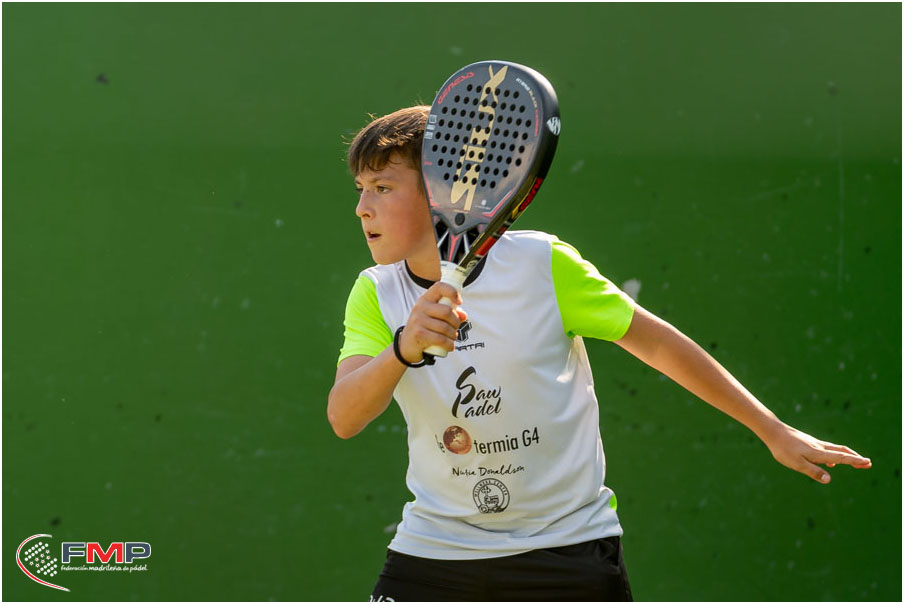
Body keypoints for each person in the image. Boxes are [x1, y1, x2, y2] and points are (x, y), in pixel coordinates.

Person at [327, 105, 872, 602]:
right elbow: (344, 417)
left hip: (568, 549)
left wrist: (772, 429)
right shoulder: (375, 293)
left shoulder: (541, 264)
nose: (361, 208)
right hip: (436, 550)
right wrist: (402, 349)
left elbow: (658, 344)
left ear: (448, 190)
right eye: (360, 189)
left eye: (382, 188)